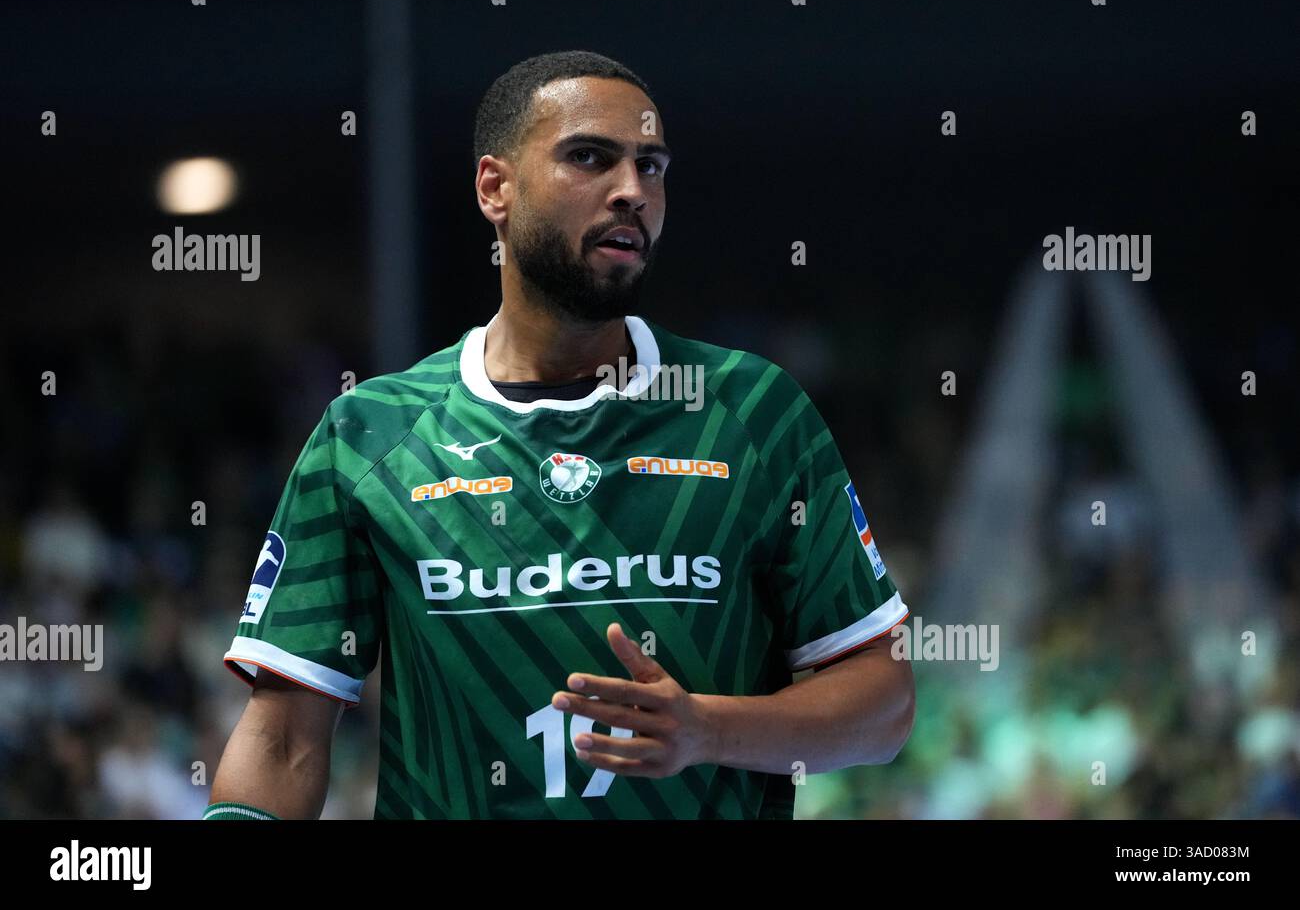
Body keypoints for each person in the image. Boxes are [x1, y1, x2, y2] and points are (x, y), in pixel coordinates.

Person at [206, 50, 913, 820]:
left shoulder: (754, 412)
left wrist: (708, 729)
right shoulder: (369, 435)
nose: (632, 191)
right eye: (589, 157)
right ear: (495, 187)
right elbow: (282, 741)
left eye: (652, 167)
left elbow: (883, 703)